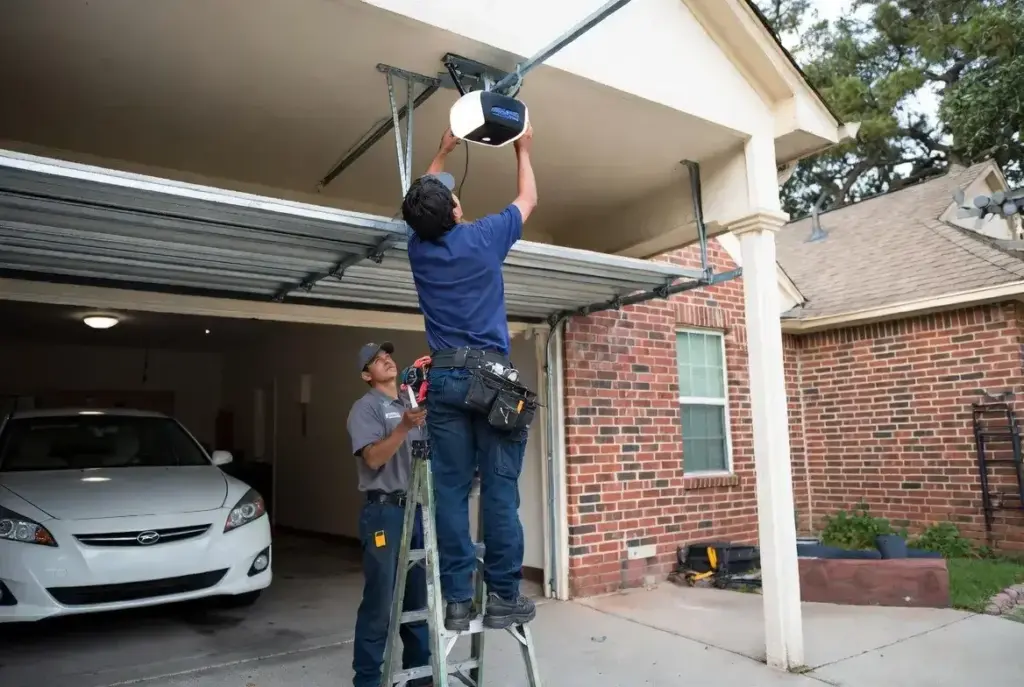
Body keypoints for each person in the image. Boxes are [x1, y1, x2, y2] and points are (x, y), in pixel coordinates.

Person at [402, 124, 539, 632]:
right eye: (453, 197)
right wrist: (523, 147)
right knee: (500, 489)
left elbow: (421, 201)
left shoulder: (419, 249)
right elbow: (528, 196)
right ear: (456, 212)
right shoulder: (484, 237)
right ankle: (503, 594)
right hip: (492, 375)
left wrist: (441, 152)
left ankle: (458, 600)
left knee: (452, 490)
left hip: (444, 378)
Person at [347, 341, 432, 687]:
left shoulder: (409, 404)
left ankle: (419, 676)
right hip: (385, 513)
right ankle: (367, 680)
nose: (385, 359)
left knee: (417, 601)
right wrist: (403, 428)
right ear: (367, 375)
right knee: (381, 603)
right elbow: (372, 459)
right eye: (375, 360)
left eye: (386, 355)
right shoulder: (365, 409)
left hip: (417, 512)